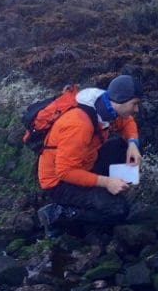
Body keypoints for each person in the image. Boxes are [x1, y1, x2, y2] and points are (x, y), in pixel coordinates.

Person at [36, 75, 143, 236]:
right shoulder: (79, 125)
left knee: (124, 145)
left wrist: (133, 144)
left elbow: (127, 122)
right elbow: (64, 172)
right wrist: (106, 182)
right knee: (118, 210)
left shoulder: (105, 107)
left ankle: (115, 188)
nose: (137, 110)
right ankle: (57, 214)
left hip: (85, 162)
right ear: (120, 100)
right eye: (134, 104)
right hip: (58, 183)